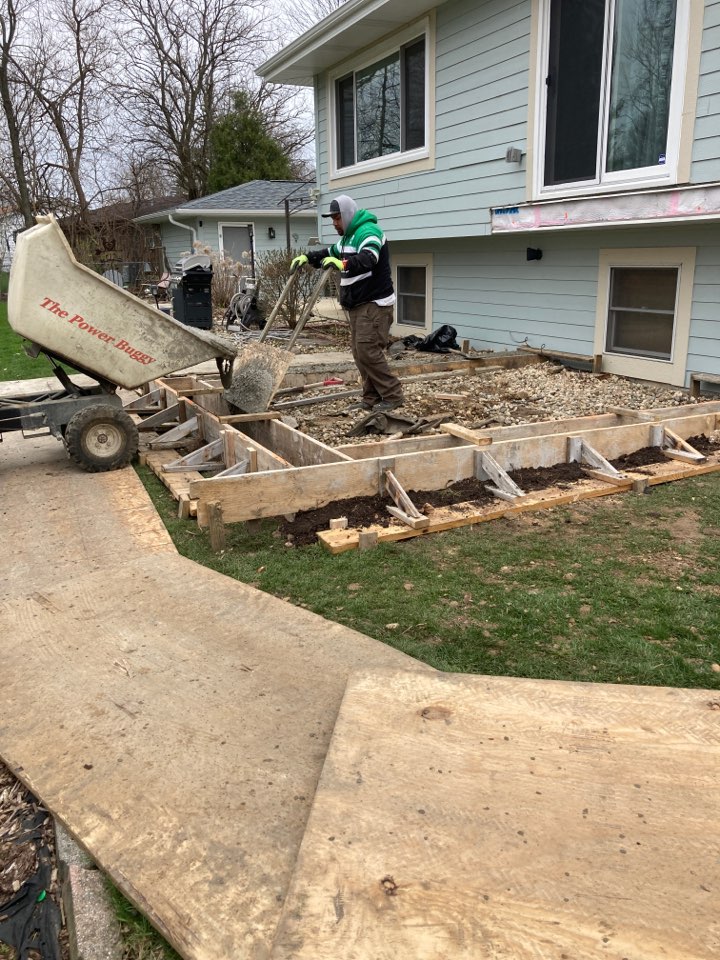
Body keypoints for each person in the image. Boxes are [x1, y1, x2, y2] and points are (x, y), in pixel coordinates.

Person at [291, 195, 403, 412]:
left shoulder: (368, 232)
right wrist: (307, 258)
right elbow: (328, 253)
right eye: (332, 219)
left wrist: (341, 264)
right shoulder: (346, 239)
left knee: (368, 351)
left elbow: (368, 259)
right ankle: (370, 398)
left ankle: (392, 395)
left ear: (348, 215)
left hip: (375, 303)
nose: (334, 223)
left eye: (337, 218)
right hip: (357, 305)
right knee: (359, 353)